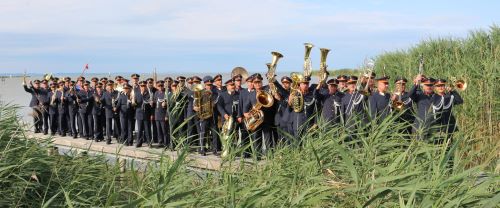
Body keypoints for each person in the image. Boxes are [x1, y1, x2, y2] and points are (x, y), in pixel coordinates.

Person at [134, 81, 153, 147]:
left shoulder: (149, 94)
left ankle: (149, 142)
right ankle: (139, 143)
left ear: (146, 86)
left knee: (147, 129)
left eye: (144, 86)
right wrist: (141, 95)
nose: (143, 87)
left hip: (146, 114)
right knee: (139, 130)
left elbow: (150, 105)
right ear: (139, 86)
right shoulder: (137, 93)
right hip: (139, 114)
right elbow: (136, 103)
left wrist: (151, 114)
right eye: (141, 86)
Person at [153, 81, 170, 148]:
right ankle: (160, 142)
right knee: (158, 130)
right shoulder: (156, 93)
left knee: (164, 131)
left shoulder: (166, 93)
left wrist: (166, 115)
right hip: (157, 114)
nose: (160, 87)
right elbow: (155, 101)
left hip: (163, 115)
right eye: (159, 86)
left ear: (163, 86)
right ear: (157, 86)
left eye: (161, 86)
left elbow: (169, 106)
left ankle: (166, 143)